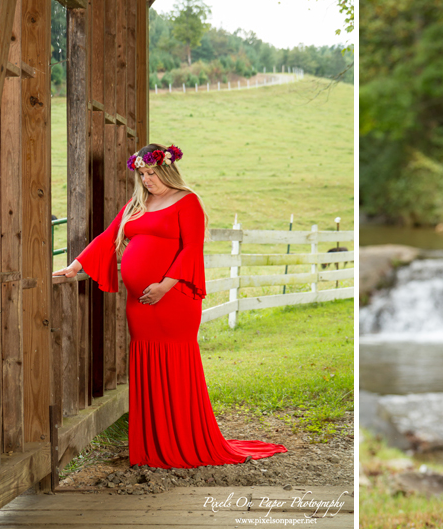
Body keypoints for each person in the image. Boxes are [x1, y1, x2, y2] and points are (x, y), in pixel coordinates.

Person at [53, 143, 288, 469]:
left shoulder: (187, 201)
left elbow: (191, 249)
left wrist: (165, 285)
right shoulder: (137, 204)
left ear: (167, 169)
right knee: (147, 364)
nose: (147, 180)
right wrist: (76, 266)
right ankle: (153, 444)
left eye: (151, 173)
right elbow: (108, 237)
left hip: (174, 300)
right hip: (139, 304)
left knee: (174, 363)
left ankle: (182, 440)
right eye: (142, 174)